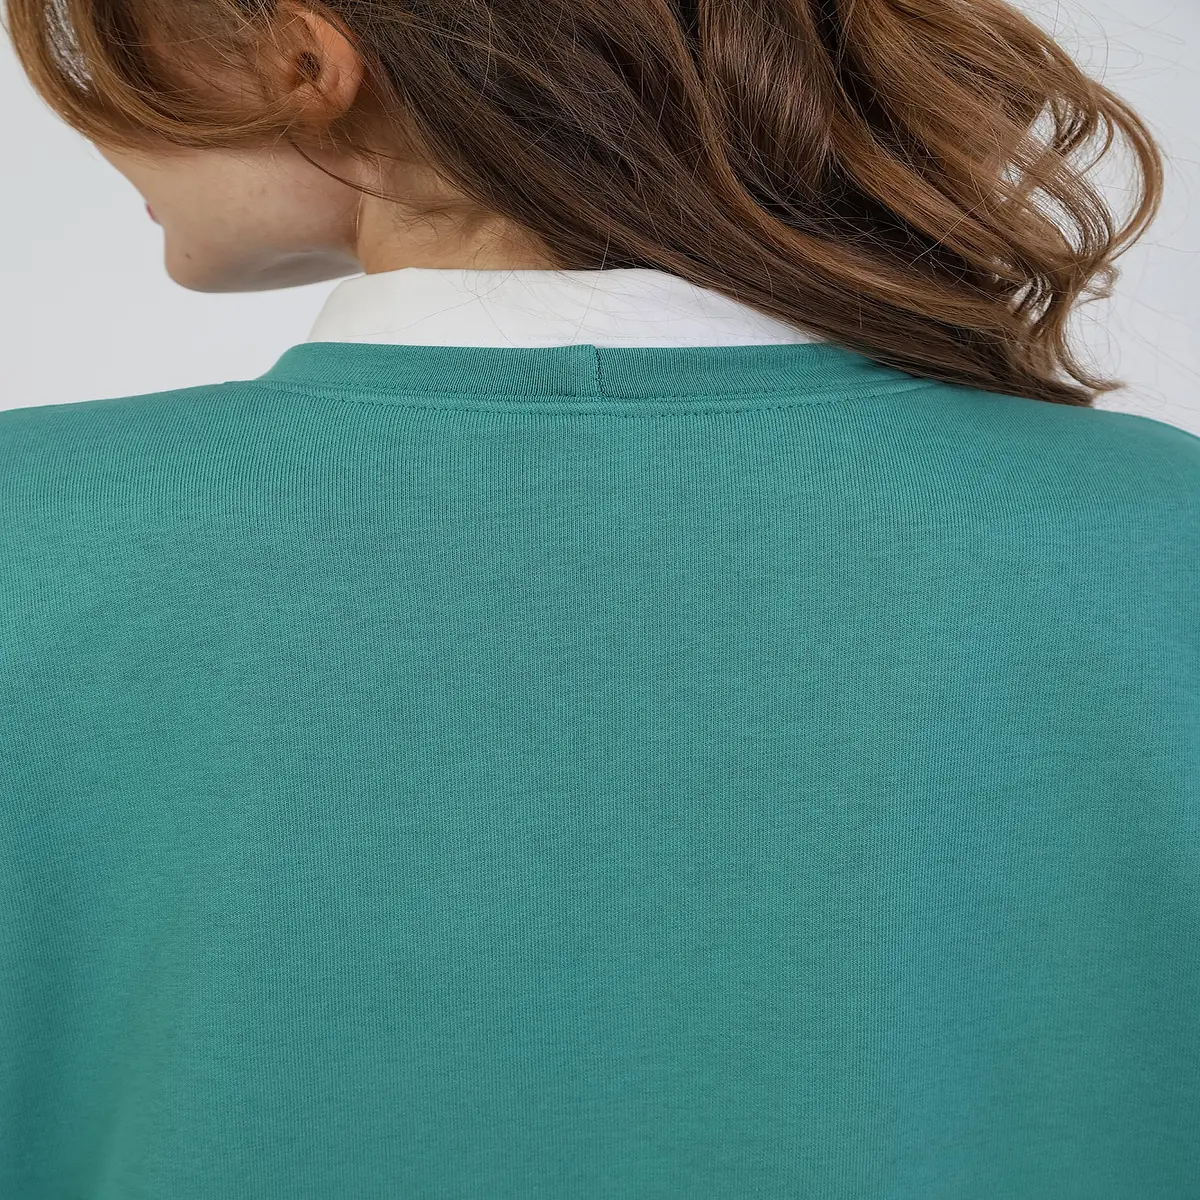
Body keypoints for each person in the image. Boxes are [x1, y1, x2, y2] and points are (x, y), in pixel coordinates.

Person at [1, 0, 1196, 1196]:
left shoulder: (31, 525)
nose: (89, 123)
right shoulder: (1158, 530)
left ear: (305, 60)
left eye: (102, 53)